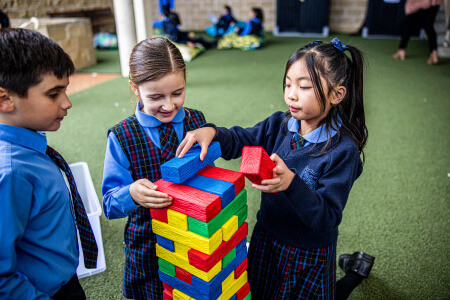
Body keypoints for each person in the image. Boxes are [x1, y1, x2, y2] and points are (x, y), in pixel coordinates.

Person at [176, 38, 374, 299]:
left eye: (304, 87)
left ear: (337, 94)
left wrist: (291, 183)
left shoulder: (343, 151)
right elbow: (241, 139)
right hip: (267, 238)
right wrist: (213, 132)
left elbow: (326, 217)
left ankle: (354, 274)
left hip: (308, 251)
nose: (291, 94)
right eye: (287, 84)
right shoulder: (280, 124)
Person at [102, 37, 207, 299]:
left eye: (177, 93)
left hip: (194, 237)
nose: (169, 105)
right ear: (135, 89)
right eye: (156, 97)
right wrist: (132, 193)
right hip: (147, 247)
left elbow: (209, 175)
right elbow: (109, 203)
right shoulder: (122, 136)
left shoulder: (197, 121)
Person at [0, 28, 98, 299]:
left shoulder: (27, 146)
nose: (67, 102)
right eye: (54, 93)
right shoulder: (11, 172)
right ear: (5, 98)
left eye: (65, 89)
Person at [392, 0, 443, 64]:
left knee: (409, 25)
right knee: (428, 26)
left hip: (417, 3)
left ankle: (401, 50)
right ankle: (434, 53)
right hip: (433, 2)